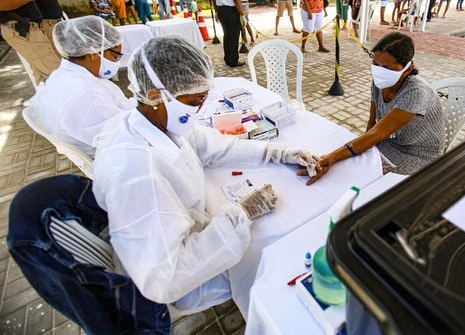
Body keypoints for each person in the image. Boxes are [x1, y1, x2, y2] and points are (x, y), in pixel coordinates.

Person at [92, 36, 320, 313]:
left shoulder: (147, 120)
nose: (199, 110)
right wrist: (241, 215)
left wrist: (279, 153)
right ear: (154, 94)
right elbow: (165, 279)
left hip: (194, 226)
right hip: (191, 278)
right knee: (278, 254)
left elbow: (218, 146)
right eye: (194, 101)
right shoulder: (138, 174)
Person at [305, 32, 444, 185]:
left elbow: (377, 134)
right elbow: (372, 124)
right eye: (375, 64)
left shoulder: (415, 92)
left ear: (408, 69)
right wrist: (359, 151)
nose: (379, 71)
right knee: (348, 166)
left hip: (417, 154)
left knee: (370, 183)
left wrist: (332, 156)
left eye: (387, 67)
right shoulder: (380, 82)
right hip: (390, 143)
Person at [27, 16, 134, 158]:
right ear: (93, 53)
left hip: (104, 139)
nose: (117, 62)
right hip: (114, 152)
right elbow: (124, 136)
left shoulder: (63, 76)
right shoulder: (86, 94)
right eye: (115, 56)